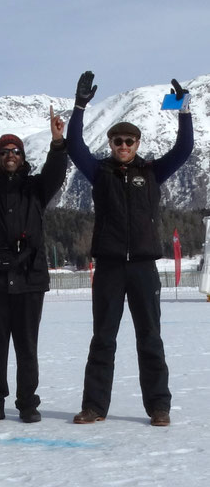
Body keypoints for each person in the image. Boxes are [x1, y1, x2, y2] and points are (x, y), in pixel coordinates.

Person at [68, 72, 193, 427]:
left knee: (150, 338)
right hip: (108, 267)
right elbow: (75, 145)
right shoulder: (99, 172)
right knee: (103, 339)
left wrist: (184, 111)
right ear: (110, 143)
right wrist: (79, 107)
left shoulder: (153, 173)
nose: (123, 146)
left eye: (129, 141)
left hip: (142, 267)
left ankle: (158, 406)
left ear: (137, 144)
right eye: (118, 141)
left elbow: (184, 150)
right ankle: (94, 406)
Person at [0, 102, 67, 424]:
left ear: (22, 157)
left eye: (15, 151)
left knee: (27, 347)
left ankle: (27, 403)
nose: (10, 155)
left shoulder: (36, 190)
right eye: (4, 151)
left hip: (29, 278)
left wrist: (58, 144)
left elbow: (56, 174)